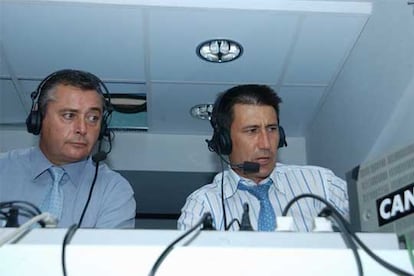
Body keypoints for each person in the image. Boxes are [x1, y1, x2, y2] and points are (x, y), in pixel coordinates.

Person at [178, 84, 349, 231]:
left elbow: (371, 220)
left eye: (272, 129)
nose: (266, 144)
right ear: (225, 141)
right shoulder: (203, 204)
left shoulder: (321, 183)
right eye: (252, 131)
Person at [0, 69, 136, 228]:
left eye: (93, 118)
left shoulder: (114, 190)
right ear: (39, 118)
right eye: (69, 116)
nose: (82, 129)